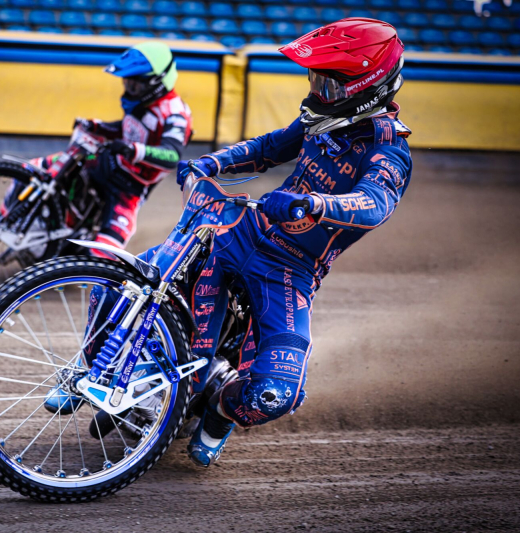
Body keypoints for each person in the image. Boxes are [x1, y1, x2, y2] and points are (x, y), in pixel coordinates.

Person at [174, 18, 414, 466]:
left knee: (273, 395)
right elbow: (269, 147)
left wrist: (315, 204)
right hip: (243, 229)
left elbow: (375, 204)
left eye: (330, 84)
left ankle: (219, 410)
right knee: (150, 276)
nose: (317, 90)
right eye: (315, 79)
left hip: (290, 271)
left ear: (368, 89)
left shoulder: (389, 150)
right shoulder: (319, 121)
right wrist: (210, 162)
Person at [30, 41, 193, 258]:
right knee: (32, 169)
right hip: (106, 163)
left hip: (129, 188)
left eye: (134, 86)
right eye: (127, 83)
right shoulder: (143, 103)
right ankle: (6, 222)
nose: (128, 90)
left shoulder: (175, 113)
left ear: (155, 82)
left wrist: (133, 150)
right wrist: (97, 126)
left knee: (104, 253)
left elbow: (172, 155)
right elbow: (128, 128)